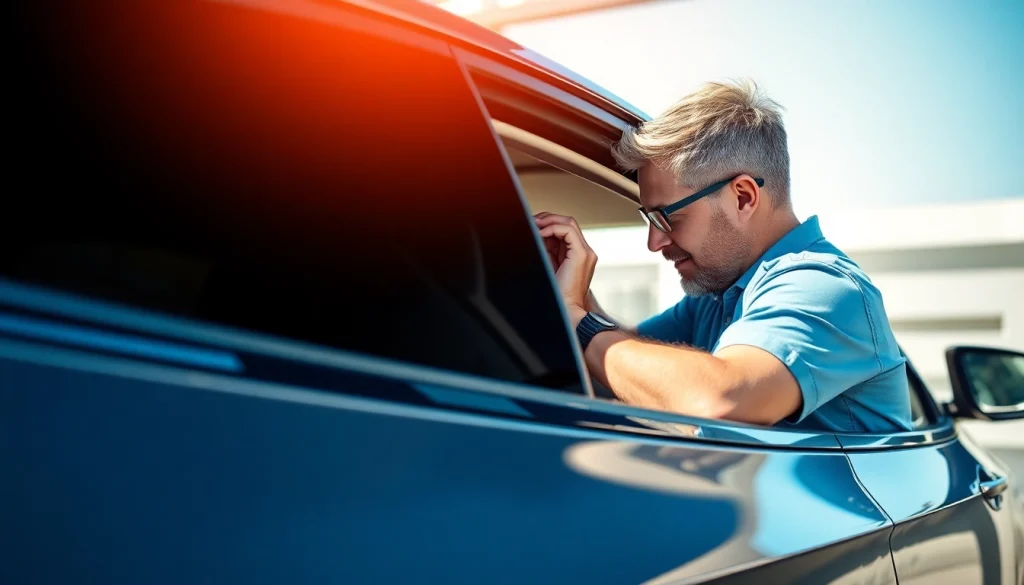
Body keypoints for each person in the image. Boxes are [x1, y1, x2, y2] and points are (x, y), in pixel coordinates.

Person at [534, 79, 911, 433]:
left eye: (667, 217)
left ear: (743, 197)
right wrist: (571, 294)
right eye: (648, 219)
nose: (654, 242)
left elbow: (719, 398)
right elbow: (629, 360)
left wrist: (576, 319)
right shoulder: (719, 294)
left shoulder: (821, 286)